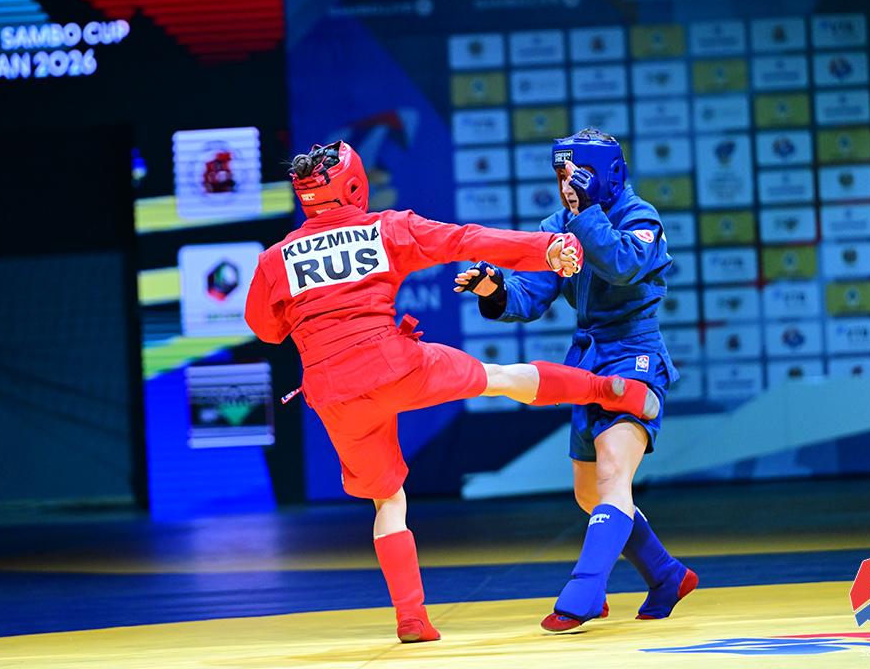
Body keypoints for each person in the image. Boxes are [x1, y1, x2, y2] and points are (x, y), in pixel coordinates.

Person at [245, 140, 659, 644]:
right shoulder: (386, 228)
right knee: (499, 378)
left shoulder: (274, 259)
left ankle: (412, 619)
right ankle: (610, 391)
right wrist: (547, 249)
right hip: (396, 367)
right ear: (354, 185)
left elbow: (266, 329)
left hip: (334, 394)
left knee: (387, 499)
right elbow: (465, 240)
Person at [456, 128, 697, 633]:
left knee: (612, 477)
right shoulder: (557, 226)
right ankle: (666, 575)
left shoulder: (640, 217)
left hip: (635, 357)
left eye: (579, 175)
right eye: (562, 175)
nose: (568, 186)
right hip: (587, 365)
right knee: (590, 493)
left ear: (610, 174)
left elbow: (623, 265)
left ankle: (584, 592)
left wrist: (585, 214)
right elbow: (530, 296)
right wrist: (494, 290)